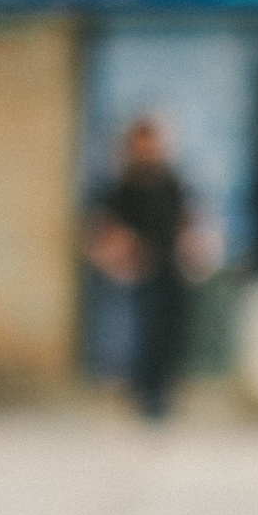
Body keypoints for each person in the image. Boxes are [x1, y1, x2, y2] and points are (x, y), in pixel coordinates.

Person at [87, 118, 195, 420]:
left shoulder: (173, 184)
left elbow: (191, 222)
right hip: (133, 275)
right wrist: (120, 251)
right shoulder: (120, 187)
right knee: (136, 334)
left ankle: (163, 392)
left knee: (168, 333)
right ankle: (141, 392)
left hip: (169, 271)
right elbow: (101, 230)